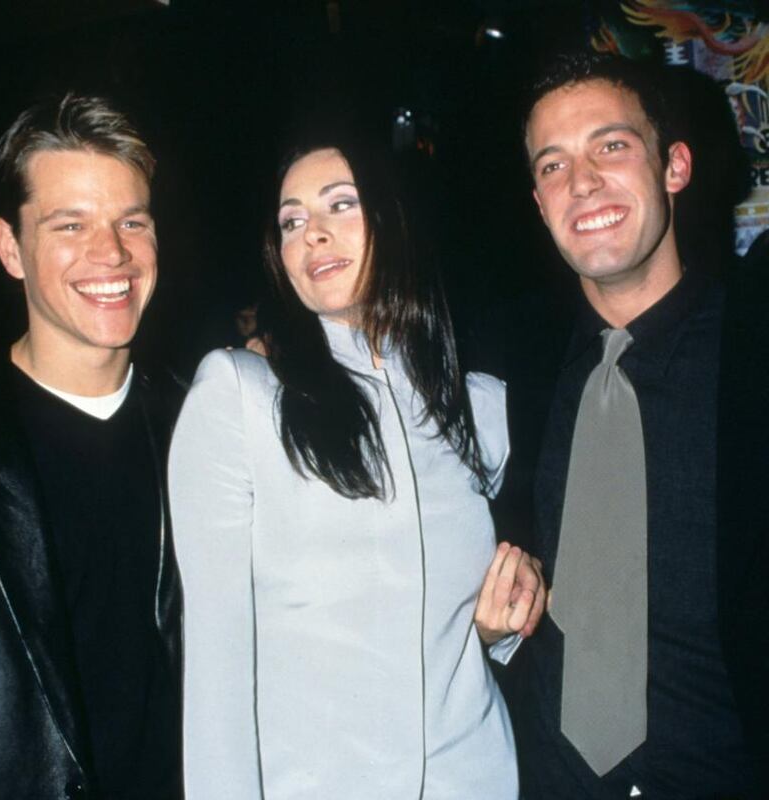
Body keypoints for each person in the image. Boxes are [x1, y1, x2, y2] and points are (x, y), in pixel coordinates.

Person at [169, 140, 545, 799]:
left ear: (394, 221)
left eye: (341, 204)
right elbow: (215, 670)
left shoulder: (480, 409)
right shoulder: (241, 397)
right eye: (291, 221)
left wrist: (502, 627)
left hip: (478, 778)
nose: (313, 231)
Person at [480, 51, 767, 798]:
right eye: (552, 165)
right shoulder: (506, 367)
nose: (582, 183)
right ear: (538, 202)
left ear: (674, 166)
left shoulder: (754, 348)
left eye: (611, 146)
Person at [0, 93, 183, 799]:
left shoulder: (202, 426)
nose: (112, 253)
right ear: (10, 248)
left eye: (132, 221)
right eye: (71, 224)